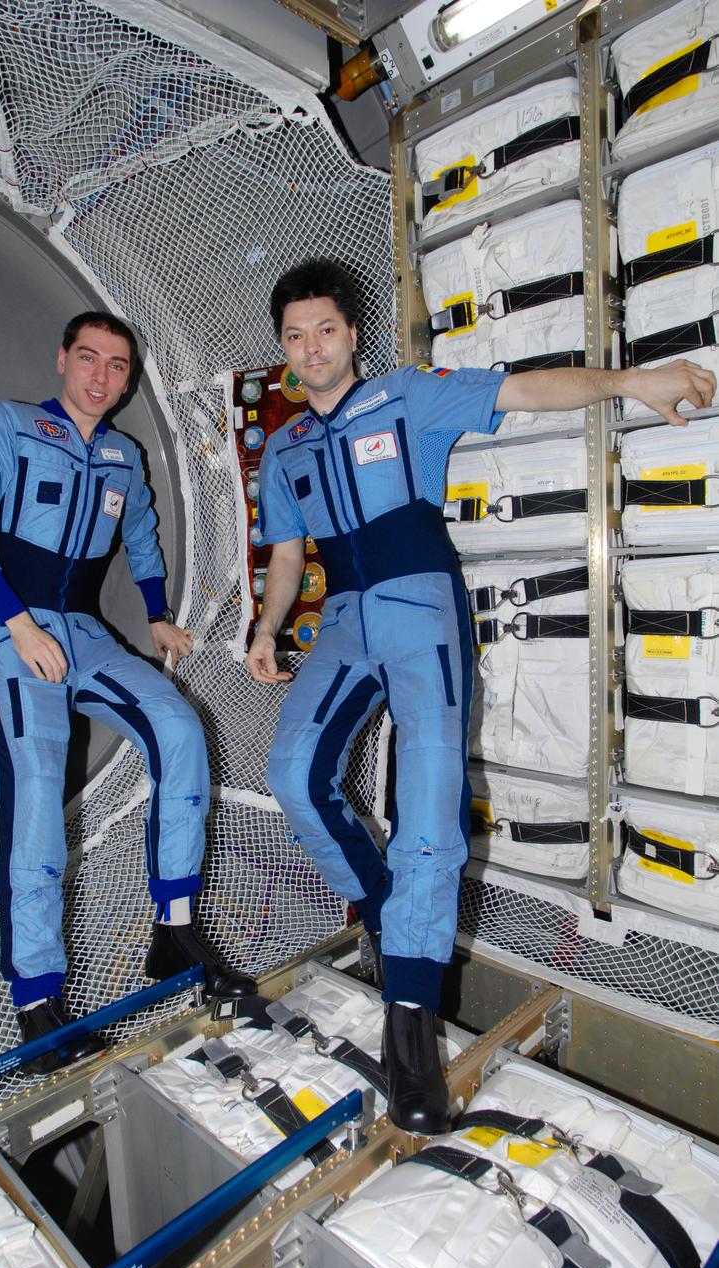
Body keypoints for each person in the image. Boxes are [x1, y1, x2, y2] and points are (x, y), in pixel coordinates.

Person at [245, 258, 716, 1133]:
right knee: (291, 775)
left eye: (326, 330)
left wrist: (633, 380)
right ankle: (390, 915)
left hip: (422, 606)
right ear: (284, 349)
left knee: (428, 812)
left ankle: (412, 1025)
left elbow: (532, 390)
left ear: (353, 334)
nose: (311, 348)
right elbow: (284, 558)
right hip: (344, 618)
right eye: (295, 336)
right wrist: (268, 628)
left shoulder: (407, 398)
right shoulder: (283, 449)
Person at [0, 312, 255, 1074]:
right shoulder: (7, 428)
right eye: (89, 359)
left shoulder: (122, 455)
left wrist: (154, 614)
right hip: (15, 630)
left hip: (81, 632)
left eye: (117, 366)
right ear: (62, 360)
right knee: (39, 791)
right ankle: (37, 1001)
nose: (101, 376)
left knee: (179, 729)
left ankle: (173, 929)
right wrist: (17, 623)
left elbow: (141, 536)